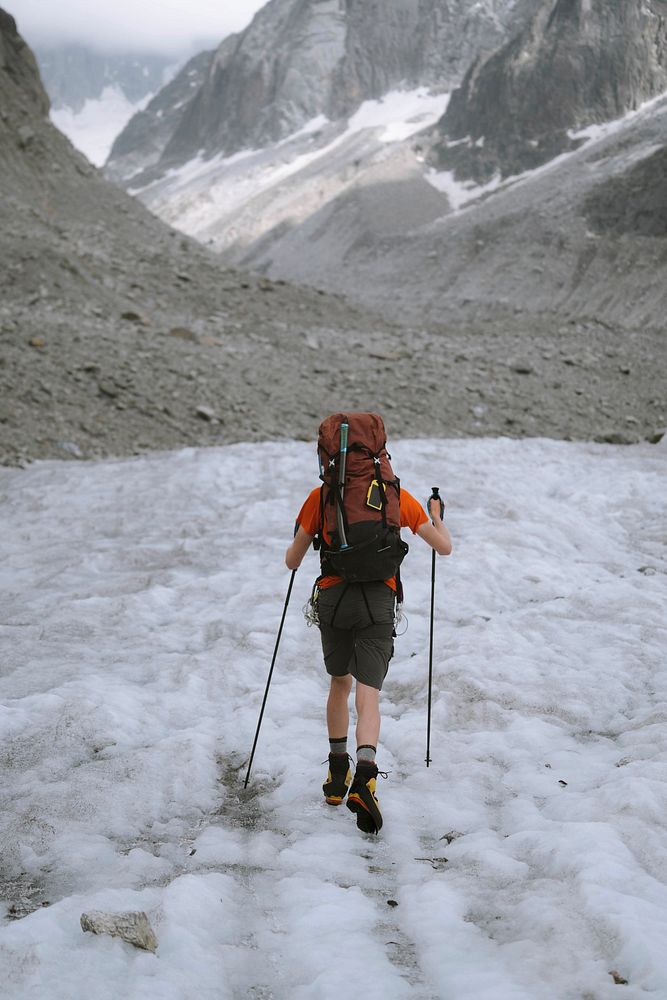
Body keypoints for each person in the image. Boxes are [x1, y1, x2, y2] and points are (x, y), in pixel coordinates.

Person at [285, 414, 452, 834]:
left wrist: (302, 533)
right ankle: (366, 773)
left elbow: (291, 560)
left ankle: (336, 776)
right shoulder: (396, 497)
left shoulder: (322, 496)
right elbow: (444, 548)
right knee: (369, 694)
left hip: (334, 599)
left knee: (339, 684)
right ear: (378, 451)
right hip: (378, 600)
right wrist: (436, 516)